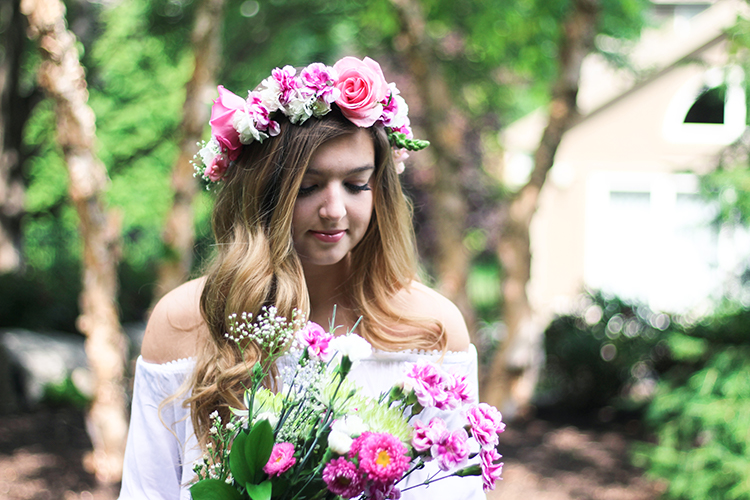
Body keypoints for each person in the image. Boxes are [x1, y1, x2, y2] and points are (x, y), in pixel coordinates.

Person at [118, 56, 485, 500]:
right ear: (264, 194)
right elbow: (147, 491)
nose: (334, 210)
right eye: (308, 187)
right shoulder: (183, 323)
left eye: (356, 185)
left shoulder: (433, 327)